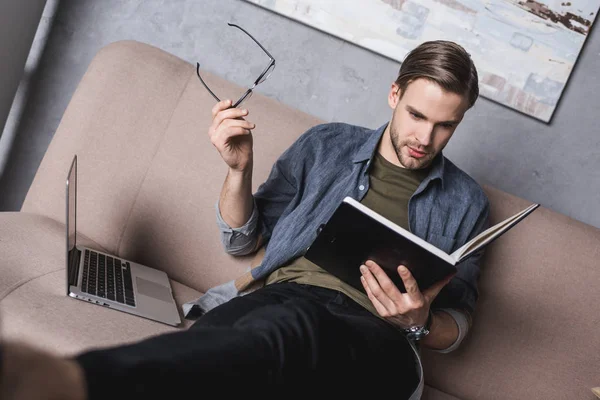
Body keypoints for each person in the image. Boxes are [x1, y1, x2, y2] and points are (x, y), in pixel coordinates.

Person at [0, 39, 489, 400]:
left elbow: (459, 327)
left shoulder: (465, 202)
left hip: (378, 338)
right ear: (393, 95)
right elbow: (243, 241)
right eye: (417, 115)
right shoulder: (327, 146)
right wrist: (238, 171)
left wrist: (421, 320)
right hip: (279, 298)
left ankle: (72, 383)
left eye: (446, 124)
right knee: (225, 340)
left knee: (282, 328)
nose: (426, 136)